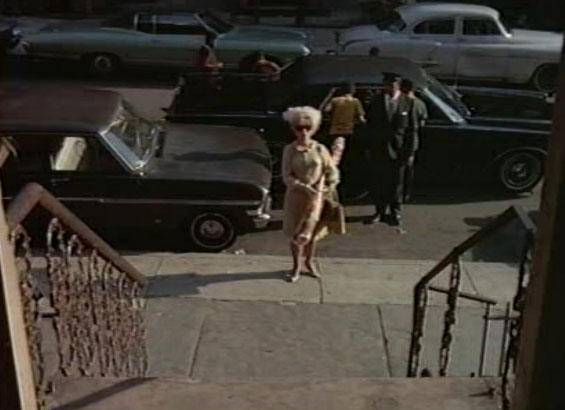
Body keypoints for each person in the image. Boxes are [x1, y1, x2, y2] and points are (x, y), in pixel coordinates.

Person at [282, 106, 340, 283]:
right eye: (299, 128)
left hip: (318, 197)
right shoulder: (289, 150)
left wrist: (330, 184)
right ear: (293, 129)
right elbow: (286, 175)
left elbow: (331, 170)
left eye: (308, 128)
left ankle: (309, 262)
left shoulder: (320, 149)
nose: (304, 132)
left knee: (312, 233)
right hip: (296, 198)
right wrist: (303, 187)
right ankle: (296, 266)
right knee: (296, 233)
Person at [366, 73, 418, 226]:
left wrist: (410, 152)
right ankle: (379, 211)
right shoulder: (376, 101)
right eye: (386, 85)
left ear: (398, 86)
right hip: (379, 148)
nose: (388, 88)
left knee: (396, 182)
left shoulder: (408, 102)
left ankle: (395, 211)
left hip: (399, 149)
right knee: (379, 181)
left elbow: (412, 129)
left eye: (392, 85)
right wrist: (368, 147)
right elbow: (370, 127)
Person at [400, 78, 427, 202]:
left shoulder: (405, 103)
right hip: (413, 140)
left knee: (401, 169)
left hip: (404, 138)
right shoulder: (420, 103)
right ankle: (406, 193)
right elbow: (422, 121)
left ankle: (401, 193)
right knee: (408, 168)